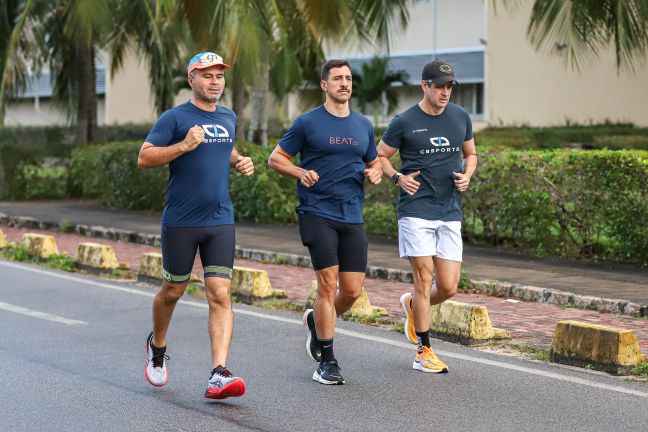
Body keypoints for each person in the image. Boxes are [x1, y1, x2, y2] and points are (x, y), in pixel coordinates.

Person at [137, 51, 254, 399]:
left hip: (220, 219)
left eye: (219, 76)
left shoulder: (229, 117)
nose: (214, 81)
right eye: (207, 75)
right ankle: (157, 347)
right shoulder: (175, 118)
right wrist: (183, 146)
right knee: (173, 290)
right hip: (181, 222)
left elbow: (225, 147)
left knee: (220, 293)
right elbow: (144, 157)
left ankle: (218, 373)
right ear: (192, 80)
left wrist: (239, 161)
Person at [268, 59, 382, 385]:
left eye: (347, 78)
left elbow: (373, 161)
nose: (344, 84)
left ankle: (315, 322)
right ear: (324, 85)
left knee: (351, 291)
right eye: (337, 79)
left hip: (352, 214)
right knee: (327, 285)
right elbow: (276, 158)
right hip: (316, 212)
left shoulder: (363, 125)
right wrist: (300, 172)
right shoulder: (307, 123)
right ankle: (327, 361)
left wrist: (374, 171)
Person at [377, 59, 477, 373]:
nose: (445, 92)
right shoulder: (404, 121)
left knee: (448, 287)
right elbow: (379, 155)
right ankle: (424, 350)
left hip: (449, 210)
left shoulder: (460, 116)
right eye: (439, 86)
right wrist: (397, 178)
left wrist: (468, 175)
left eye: (449, 86)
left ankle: (411, 306)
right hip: (416, 210)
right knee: (423, 279)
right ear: (425, 86)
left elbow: (470, 153)